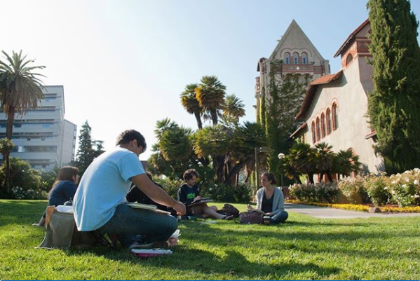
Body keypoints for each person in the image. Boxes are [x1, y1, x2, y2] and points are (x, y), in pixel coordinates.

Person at [73, 129, 186, 248]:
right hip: (104, 216)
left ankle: (132, 242)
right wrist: (175, 204)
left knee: (130, 210)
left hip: (83, 218)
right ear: (134, 143)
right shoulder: (127, 155)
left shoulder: (105, 156)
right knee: (170, 223)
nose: (138, 157)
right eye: (139, 152)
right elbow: (151, 190)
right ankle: (144, 243)